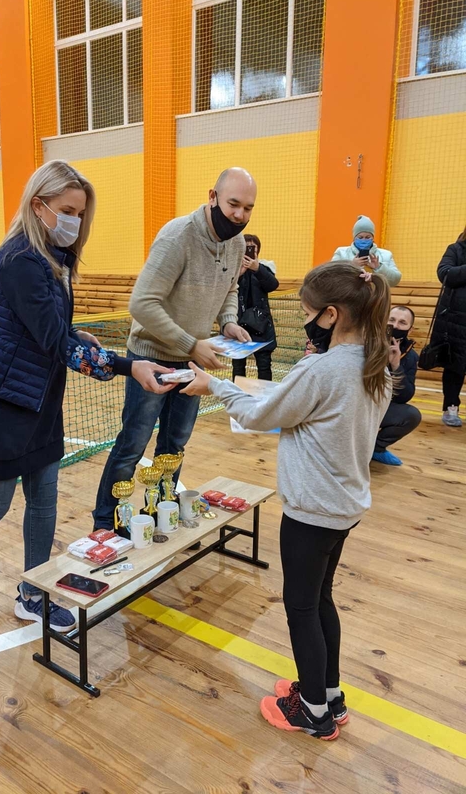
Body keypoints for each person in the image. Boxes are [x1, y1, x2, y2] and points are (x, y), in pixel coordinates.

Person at [0, 160, 173, 643]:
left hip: (41, 399)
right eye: (67, 211)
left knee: (44, 502)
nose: (75, 222)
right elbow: (52, 340)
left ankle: (33, 593)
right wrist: (129, 365)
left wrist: (76, 336)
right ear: (38, 205)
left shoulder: (54, 258)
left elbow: (49, 329)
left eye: (80, 214)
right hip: (0, 401)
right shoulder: (20, 260)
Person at [181, 261, 392, 740]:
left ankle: (313, 711)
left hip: (312, 511)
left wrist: (215, 385)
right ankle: (329, 694)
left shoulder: (321, 368)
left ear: (332, 314)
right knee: (320, 598)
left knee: (301, 607)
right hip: (344, 507)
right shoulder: (376, 363)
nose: (304, 321)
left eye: (308, 312)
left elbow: (262, 415)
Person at [93, 167, 257, 529]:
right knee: (133, 445)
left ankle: (160, 512)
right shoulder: (178, 236)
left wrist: (228, 321)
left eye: (248, 208)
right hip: (150, 358)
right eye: (233, 204)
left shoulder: (235, 243)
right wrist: (190, 344)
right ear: (212, 197)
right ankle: (105, 523)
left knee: (175, 445)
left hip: (192, 362)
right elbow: (141, 304)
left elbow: (230, 288)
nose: (239, 215)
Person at [372, 306, 421, 465]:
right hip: (356, 404)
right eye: (391, 320)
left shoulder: (411, 356)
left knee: (411, 415)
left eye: (402, 323)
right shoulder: (366, 343)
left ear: (410, 329)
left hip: (381, 406)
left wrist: (396, 366)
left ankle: (376, 449)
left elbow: (405, 396)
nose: (395, 326)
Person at [232, 234, 279, 381]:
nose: (250, 250)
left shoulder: (264, 268)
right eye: (246, 247)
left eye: (253, 247)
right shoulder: (233, 269)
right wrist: (240, 273)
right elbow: (225, 288)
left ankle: (264, 395)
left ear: (258, 250)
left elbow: (272, 285)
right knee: (238, 367)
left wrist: (257, 268)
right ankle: (237, 394)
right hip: (238, 325)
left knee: (264, 366)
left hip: (261, 326)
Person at [431, 229, 466, 427]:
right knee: (455, 366)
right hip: (456, 321)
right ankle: (451, 407)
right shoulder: (455, 249)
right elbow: (444, 273)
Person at [333, 215, 401, 286]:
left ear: (373, 238)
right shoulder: (341, 252)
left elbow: (395, 280)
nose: (364, 240)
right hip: (349, 293)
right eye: (360, 237)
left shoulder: (386, 255)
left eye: (368, 237)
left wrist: (379, 267)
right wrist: (352, 266)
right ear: (354, 238)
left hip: (375, 292)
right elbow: (331, 277)